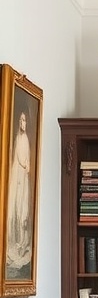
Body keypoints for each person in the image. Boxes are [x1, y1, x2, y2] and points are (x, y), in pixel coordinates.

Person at [6, 110, 32, 272]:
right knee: (16, 207)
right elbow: (21, 159)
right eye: (21, 120)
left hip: (23, 176)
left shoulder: (27, 139)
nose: (23, 123)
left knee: (23, 210)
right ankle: (15, 242)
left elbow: (27, 158)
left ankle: (21, 242)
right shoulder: (18, 139)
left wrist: (27, 164)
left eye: (25, 120)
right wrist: (25, 165)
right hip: (19, 175)